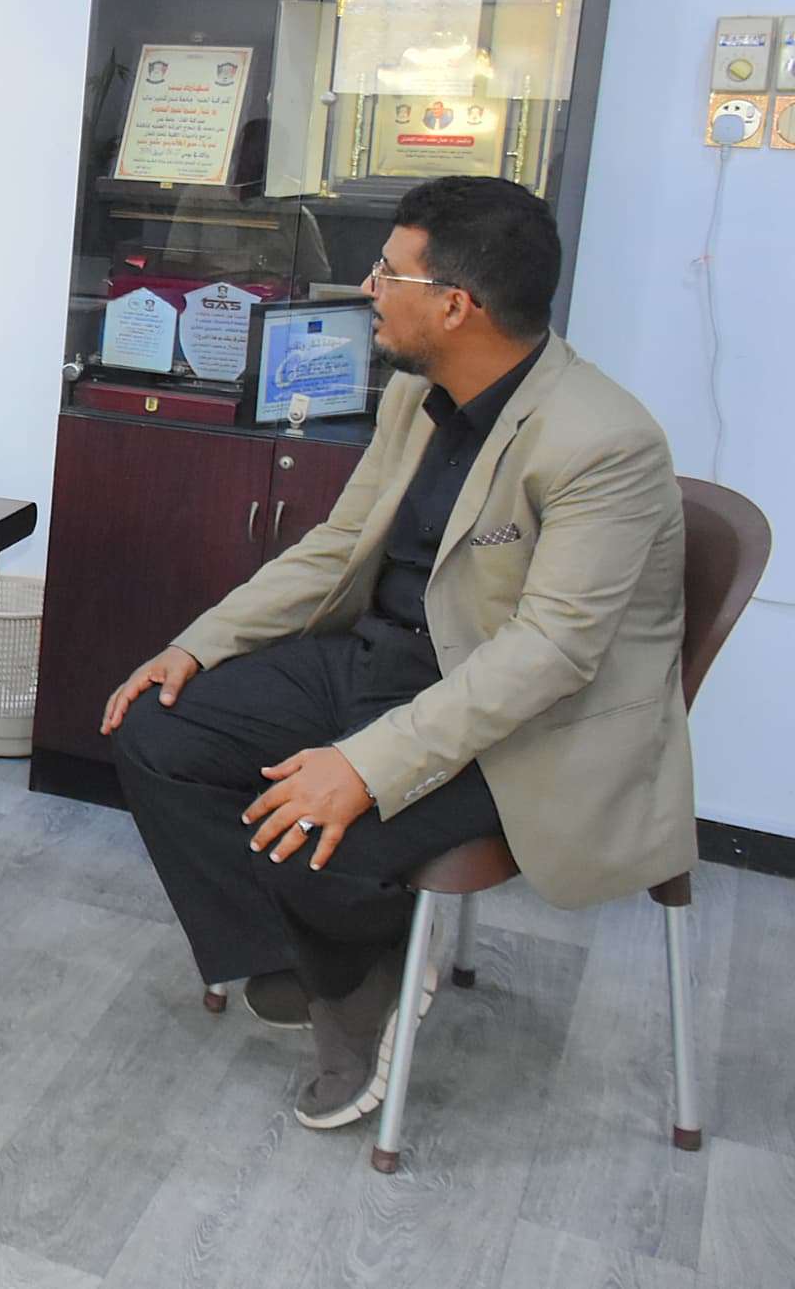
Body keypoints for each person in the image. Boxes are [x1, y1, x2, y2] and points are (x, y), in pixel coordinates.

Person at [101, 176, 692, 1132]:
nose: (369, 288)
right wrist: (197, 646)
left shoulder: (602, 444)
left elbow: (548, 654)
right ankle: (325, 970)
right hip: (383, 658)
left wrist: (363, 766)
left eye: (388, 272)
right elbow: (339, 544)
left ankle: (350, 982)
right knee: (160, 729)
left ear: (455, 305)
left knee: (311, 831)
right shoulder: (417, 395)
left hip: (520, 721)